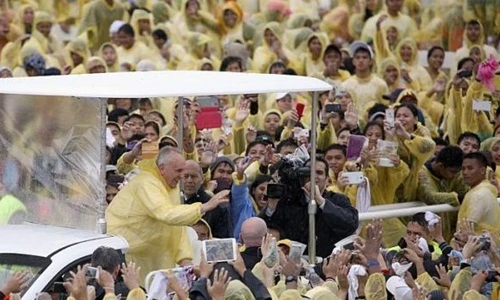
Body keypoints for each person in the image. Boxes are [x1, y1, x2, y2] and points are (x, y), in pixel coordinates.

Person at [106, 147, 230, 282]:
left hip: (150, 257)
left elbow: (177, 225)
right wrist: (205, 207)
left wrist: (185, 260)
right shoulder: (146, 182)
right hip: (123, 254)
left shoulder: (171, 184)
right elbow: (166, 214)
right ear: (162, 168)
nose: (182, 176)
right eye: (178, 171)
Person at [259, 157, 358, 258]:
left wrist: (321, 201)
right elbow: (265, 227)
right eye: (308, 172)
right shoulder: (289, 200)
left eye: (319, 173)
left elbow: (351, 223)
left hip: (327, 260)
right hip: (293, 261)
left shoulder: (338, 199)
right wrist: (271, 207)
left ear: (327, 179)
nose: (313, 176)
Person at [418, 146, 468, 240]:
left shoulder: (455, 174)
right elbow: (429, 196)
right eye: (453, 172)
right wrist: (456, 198)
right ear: (440, 166)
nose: (455, 175)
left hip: (448, 232)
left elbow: (466, 191)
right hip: (426, 233)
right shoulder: (422, 173)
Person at [182, 160, 231, 238]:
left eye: (194, 176)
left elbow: (222, 240)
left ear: (202, 179)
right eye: (186, 176)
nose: (189, 180)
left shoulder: (216, 206)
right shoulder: (172, 202)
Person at [459, 152, 500, 241]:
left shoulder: (479, 194)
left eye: (470, 168)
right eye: (463, 169)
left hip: (480, 249)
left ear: (482, 170)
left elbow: (468, 228)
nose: (465, 172)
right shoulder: (482, 190)